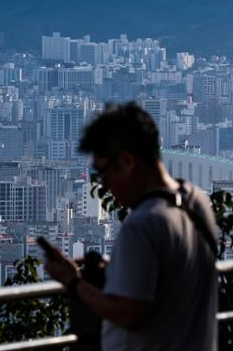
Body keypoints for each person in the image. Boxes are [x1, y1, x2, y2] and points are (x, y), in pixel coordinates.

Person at [45, 102, 218, 351]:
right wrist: (118, 272)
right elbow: (173, 278)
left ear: (126, 162)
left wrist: (73, 282)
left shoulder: (143, 225)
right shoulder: (196, 202)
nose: (105, 186)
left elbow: (130, 314)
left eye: (103, 173)